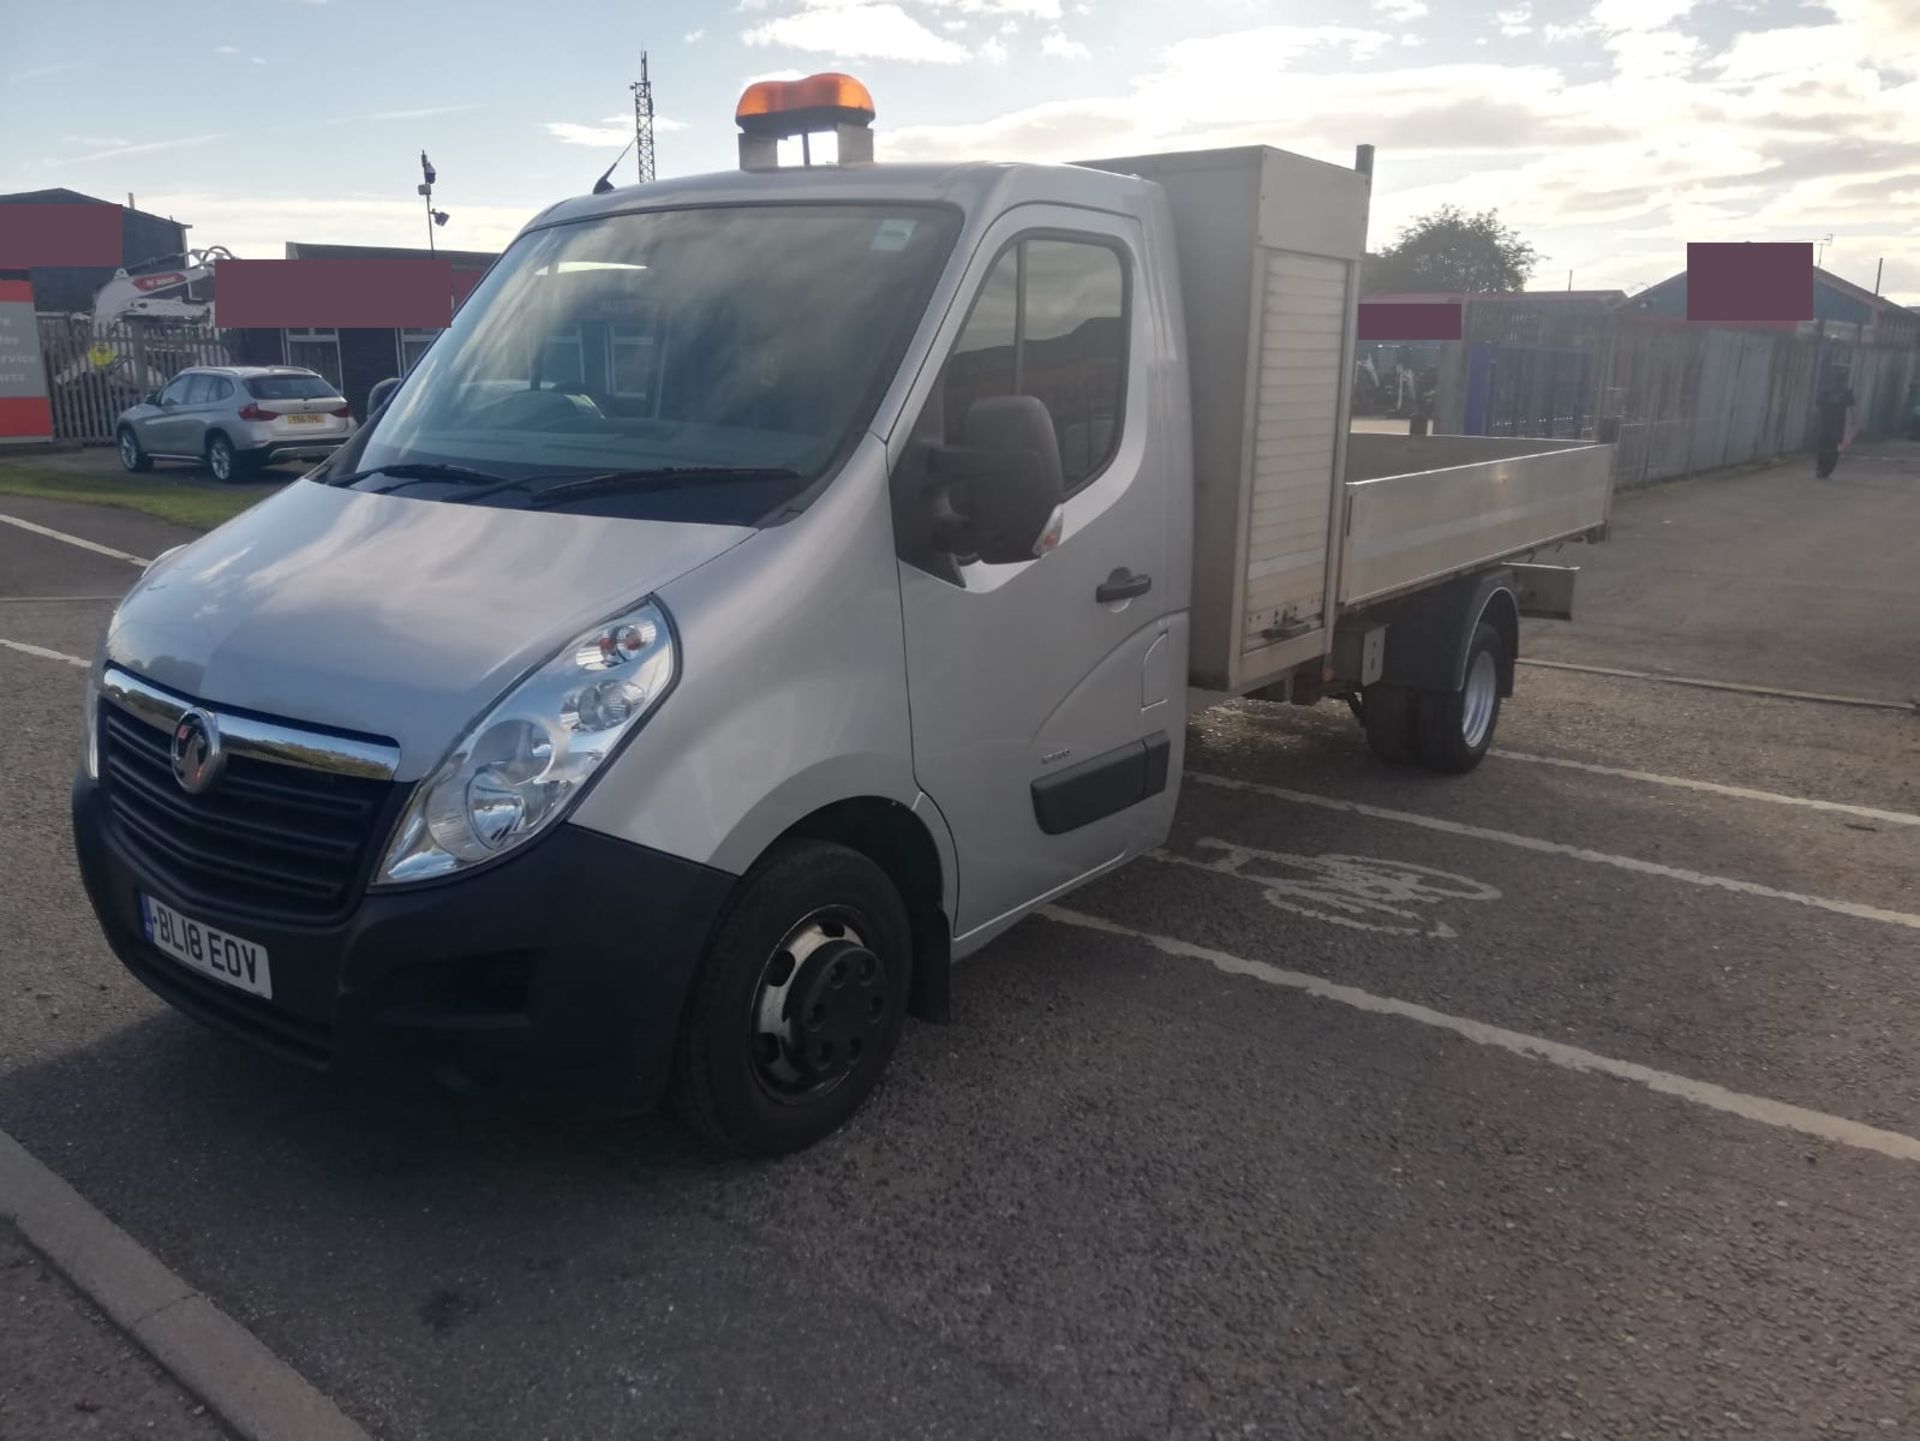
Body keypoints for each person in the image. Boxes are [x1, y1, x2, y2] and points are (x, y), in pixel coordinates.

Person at [1813, 366, 1855, 479]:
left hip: (1825, 424)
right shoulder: (1847, 392)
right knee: (1834, 449)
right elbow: (1851, 410)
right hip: (1838, 426)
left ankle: (1820, 470)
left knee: (1822, 447)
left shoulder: (1825, 391)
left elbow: (1817, 406)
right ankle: (1826, 472)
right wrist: (1851, 428)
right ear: (1844, 380)